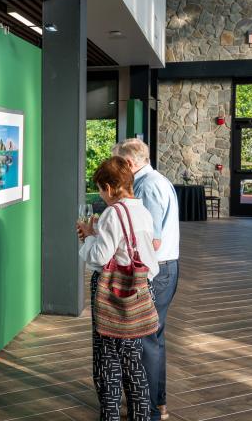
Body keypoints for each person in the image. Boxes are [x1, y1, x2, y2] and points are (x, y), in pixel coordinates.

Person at [78, 156, 159, 421]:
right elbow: (147, 256)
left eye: (101, 189)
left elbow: (100, 258)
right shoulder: (142, 210)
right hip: (140, 291)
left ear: (110, 188)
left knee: (108, 362)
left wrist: (88, 237)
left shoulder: (114, 212)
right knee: (133, 360)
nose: (102, 195)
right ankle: (142, 415)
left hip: (113, 294)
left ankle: (110, 416)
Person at [113, 139, 179, 421]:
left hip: (156, 271)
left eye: (117, 164)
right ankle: (156, 404)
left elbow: (148, 240)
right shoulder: (155, 180)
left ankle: (149, 411)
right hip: (165, 268)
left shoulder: (148, 186)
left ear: (129, 163)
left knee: (146, 341)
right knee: (155, 339)